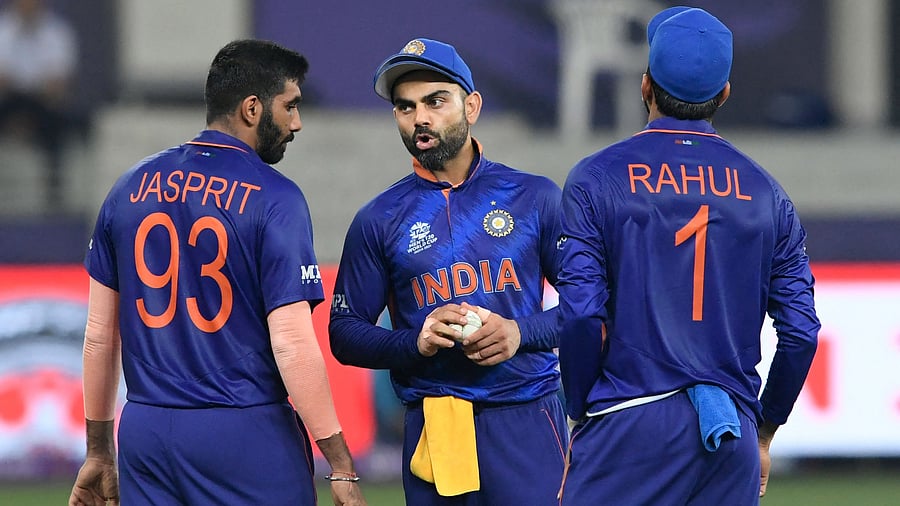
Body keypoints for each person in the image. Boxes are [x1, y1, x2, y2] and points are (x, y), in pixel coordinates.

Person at [68, 39, 366, 506]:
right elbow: (290, 342)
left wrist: (98, 450)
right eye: (290, 106)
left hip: (145, 432)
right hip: (242, 431)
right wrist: (340, 461)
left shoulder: (126, 189)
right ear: (252, 108)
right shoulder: (275, 197)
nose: (296, 123)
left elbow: (99, 337)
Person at [555, 7, 820, 504]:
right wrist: (764, 430)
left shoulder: (595, 178)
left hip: (624, 421)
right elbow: (802, 333)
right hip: (728, 435)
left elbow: (583, 315)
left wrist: (579, 409)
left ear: (644, 86)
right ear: (724, 94)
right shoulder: (768, 193)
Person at [329, 38, 567, 505]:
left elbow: (593, 303)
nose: (420, 117)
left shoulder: (535, 197)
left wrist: (519, 333)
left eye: (436, 101)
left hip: (527, 420)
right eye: (405, 106)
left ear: (471, 106)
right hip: (434, 427)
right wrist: (413, 343)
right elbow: (344, 332)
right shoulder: (379, 219)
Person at [0, 0, 77, 207]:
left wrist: (25, 86)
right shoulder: (4, 29)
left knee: (56, 125)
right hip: (9, 101)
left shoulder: (57, 33)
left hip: (41, 104)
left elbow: (57, 86)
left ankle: (54, 195)